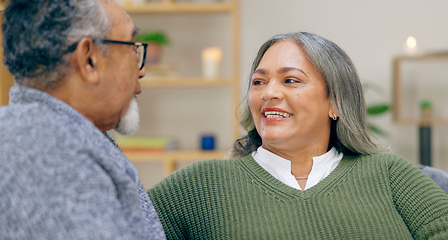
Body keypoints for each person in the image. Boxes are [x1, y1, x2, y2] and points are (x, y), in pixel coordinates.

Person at [148, 32, 448, 239]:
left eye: (290, 80)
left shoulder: (391, 175)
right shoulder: (200, 184)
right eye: (258, 82)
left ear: (334, 103)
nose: (269, 93)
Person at [0, 0, 165, 239]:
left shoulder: (50, 132)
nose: (141, 69)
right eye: (130, 48)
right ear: (89, 60)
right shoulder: (49, 148)